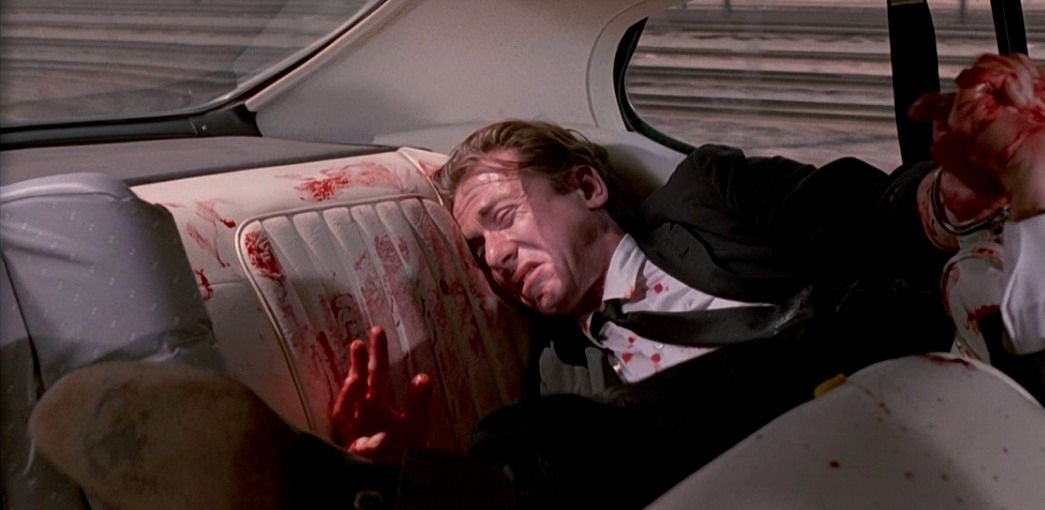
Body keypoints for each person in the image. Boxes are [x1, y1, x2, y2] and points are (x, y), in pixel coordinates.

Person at [28, 53, 1045, 510]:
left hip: (937, 385)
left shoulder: (713, 196)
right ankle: (368, 493)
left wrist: (955, 192)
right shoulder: (559, 376)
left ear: (587, 187)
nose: (493, 259)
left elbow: (860, 215)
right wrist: (399, 459)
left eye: (503, 219)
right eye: (474, 252)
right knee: (540, 442)